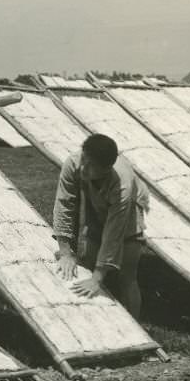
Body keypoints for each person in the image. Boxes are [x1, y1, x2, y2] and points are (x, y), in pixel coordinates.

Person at [52, 133, 150, 320]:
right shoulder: (73, 163)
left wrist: (98, 277)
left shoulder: (122, 184)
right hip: (95, 214)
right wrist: (65, 252)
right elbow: (64, 205)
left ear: (106, 169)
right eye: (84, 160)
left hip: (127, 220)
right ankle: (93, 320)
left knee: (127, 277)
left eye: (91, 167)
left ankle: (134, 332)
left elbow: (114, 232)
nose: (83, 168)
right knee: (86, 268)